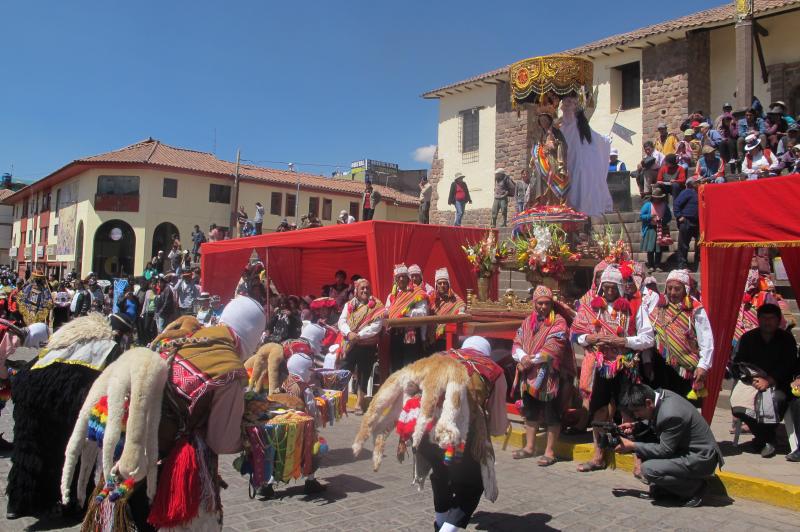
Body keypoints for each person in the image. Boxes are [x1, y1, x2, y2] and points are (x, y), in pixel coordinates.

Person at [353, 336, 508, 532]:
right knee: (470, 486)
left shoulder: (439, 357)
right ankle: (445, 530)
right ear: (486, 353)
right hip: (459, 437)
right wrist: (492, 430)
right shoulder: (493, 370)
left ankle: (440, 523)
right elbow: (497, 422)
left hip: (424, 430)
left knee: (441, 474)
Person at [6, 315, 126, 519]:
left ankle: (19, 503)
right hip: (63, 391)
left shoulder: (72, 333)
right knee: (69, 448)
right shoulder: (111, 347)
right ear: (120, 333)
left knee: (29, 445)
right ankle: (71, 501)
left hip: (29, 384)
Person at [571, 265, 654, 472]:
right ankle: (598, 455)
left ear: (620, 287)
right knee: (599, 410)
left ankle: (637, 460)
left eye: (612, 288)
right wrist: (588, 338)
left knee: (629, 411)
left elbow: (648, 338)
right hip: (600, 366)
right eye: (605, 288)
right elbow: (575, 333)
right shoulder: (591, 307)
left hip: (625, 365)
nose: (609, 292)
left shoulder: (634, 307)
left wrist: (623, 341)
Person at [615, 384, 723, 507]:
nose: (636, 415)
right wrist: (636, 426)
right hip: (687, 450)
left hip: (701, 458)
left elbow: (665, 450)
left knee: (649, 469)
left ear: (648, 403)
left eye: (637, 411)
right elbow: (656, 418)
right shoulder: (660, 396)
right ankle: (667, 489)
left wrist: (632, 445)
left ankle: (695, 489)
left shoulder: (670, 414)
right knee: (648, 450)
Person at [511, 285, 576, 465]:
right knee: (530, 411)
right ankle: (530, 447)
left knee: (552, 413)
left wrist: (530, 360)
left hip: (551, 376)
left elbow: (554, 348)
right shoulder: (527, 321)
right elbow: (517, 342)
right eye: (540, 303)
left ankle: (549, 451)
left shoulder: (559, 322)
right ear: (534, 303)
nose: (543, 307)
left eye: (547, 303)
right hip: (530, 374)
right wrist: (522, 356)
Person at [731, 303, 800, 458]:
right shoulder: (748, 338)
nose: (767, 322)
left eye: (771, 319)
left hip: (779, 383)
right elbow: (738, 363)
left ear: (778, 320)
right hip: (752, 382)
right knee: (738, 406)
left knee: (776, 401)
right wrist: (753, 378)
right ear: (758, 319)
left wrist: (769, 380)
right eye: (764, 318)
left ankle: (763, 440)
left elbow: (789, 365)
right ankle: (767, 439)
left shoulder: (786, 339)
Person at [649, 269, 713, 402]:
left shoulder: (695, 309)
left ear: (686, 289)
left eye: (677, 289)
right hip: (661, 363)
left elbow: (706, 339)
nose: (672, 293)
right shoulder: (659, 305)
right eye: (669, 288)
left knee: (683, 405)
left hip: (685, 368)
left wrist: (703, 365)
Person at [337, 278, 385, 415]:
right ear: (356, 290)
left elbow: (376, 326)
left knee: (364, 374)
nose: (365, 290)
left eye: (367, 288)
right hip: (349, 345)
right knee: (344, 372)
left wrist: (357, 336)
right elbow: (341, 321)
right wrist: (349, 333)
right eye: (362, 288)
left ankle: (359, 404)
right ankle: (342, 403)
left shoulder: (377, 305)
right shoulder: (349, 305)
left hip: (366, 345)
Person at [385, 263, 428, 371]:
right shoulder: (391, 296)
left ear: (408, 278)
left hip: (410, 333)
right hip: (395, 334)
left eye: (404, 276)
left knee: (410, 366)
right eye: (398, 277)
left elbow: (423, 313)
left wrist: (405, 312)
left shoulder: (417, 292)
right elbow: (387, 312)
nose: (401, 279)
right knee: (396, 365)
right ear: (395, 279)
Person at [427, 268, 466, 353]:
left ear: (448, 284)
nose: (442, 285)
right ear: (436, 284)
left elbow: (461, 305)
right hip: (432, 338)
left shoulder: (454, 298)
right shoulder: (432, 298)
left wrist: (461, 311)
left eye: (445, 283)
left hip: (447, 338)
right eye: (440, 283)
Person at [639, 189, 672, 270]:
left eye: (659, 198)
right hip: (650, 229)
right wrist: (650, 217)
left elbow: (669, 216)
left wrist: (662, 220)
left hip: (661, 229)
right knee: (650, 248)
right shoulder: (647, 205)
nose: (657, 199)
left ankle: (657, 265)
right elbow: (641, 216)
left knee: (659, 248)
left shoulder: (664, 205)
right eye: (656, 198)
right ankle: (650, 265)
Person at [673, 177, 700, 269]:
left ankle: (698, 259)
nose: (699, 184)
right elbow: (676, 204)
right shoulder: (687, 192)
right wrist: (679, 216)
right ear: (692, 184)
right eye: (698, 182)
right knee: (683, 244)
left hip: (697, 222)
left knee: (700, 241)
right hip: (687, 221)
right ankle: (682, 265)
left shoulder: (699, 193)